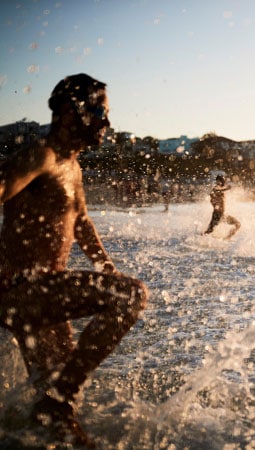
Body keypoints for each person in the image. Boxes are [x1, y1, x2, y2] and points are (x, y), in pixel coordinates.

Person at [0, 73, 148, 446]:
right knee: (130, 296)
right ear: (69, 111)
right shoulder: (42, 155)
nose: (106, 121)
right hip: (23, 289)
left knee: (64, 422)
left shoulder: (72, 166)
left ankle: (50, 414)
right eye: (99, 110)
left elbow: (81, 221)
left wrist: (105, 264)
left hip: (45, 294)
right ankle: (56, 405)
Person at [203, 174, 241, 239]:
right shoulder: (216, 188)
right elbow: (217, 189)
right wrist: (226, 188)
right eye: (220, 181)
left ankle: (227, 238)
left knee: (238, 224)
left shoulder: (219, 189)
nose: (221, 183)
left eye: (222, 181)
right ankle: (196, 239)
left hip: (222, 215)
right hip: (217, 215)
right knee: (208, 232)